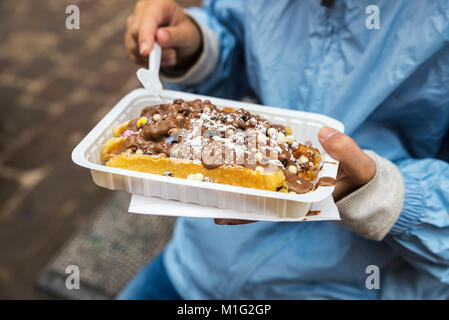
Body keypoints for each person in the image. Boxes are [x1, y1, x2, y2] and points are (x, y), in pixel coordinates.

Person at [118, 0, 449, 299]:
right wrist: (198, 49)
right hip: (197, 262)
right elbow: (240, 40)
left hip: (344, 286)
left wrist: (382, 195)